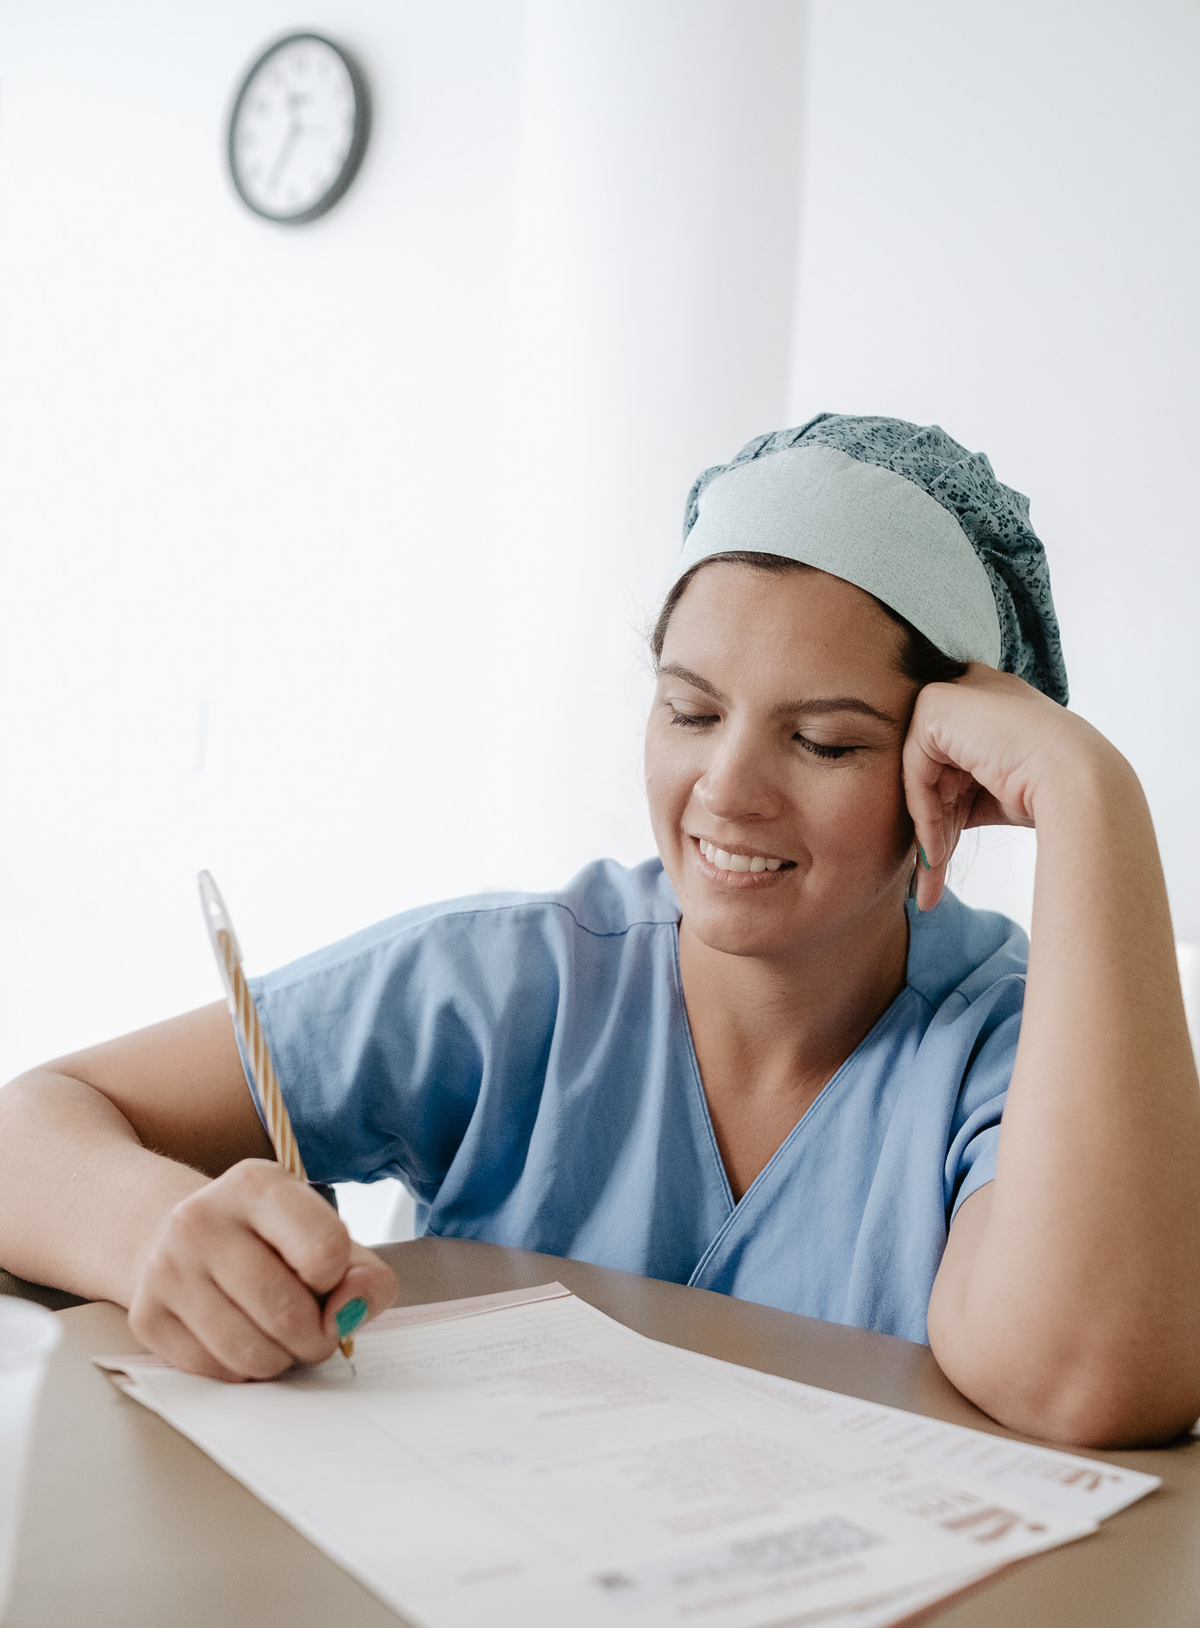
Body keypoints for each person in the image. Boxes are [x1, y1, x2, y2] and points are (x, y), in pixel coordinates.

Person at [2, 414, 1198, 1449]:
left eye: (825, 740)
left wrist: (1092, 796)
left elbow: (1088, 1378)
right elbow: (26, 1130)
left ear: (953, 776)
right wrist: (157, 1235)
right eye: (690, 709)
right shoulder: (508, 984)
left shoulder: (1008, 1053)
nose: (726, 788)